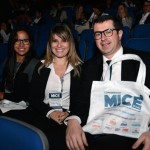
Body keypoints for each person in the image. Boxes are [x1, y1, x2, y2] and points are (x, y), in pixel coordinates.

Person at [65, 15, 150, 150]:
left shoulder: (143, 62)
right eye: (98, 34)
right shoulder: (88, 66)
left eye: (108, 32)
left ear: (120, 34)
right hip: (95, 131)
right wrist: (73, 121)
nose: (103, 38)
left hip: (133, 133)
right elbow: (81, 99)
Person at [16, 23, 82, 150]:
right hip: (44, 114)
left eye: (64, 40)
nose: (59, 45)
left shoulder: (79, 68)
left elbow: (83, 101)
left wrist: (69, 114)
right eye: (55, 41)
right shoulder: (41, 67)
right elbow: (33, 97)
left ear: (70, 44)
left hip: (70, 117)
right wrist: (50, 112)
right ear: (49, 44)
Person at [0, 26, 40, 115]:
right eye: (17, 40)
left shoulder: (35, 64)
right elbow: (4, 84)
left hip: (22, 107)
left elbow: (25, 96)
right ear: (12, 43)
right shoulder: (8, 60)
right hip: (6, 103)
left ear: (30, 43)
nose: (21, 45)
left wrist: (2, 95)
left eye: (25, 41)